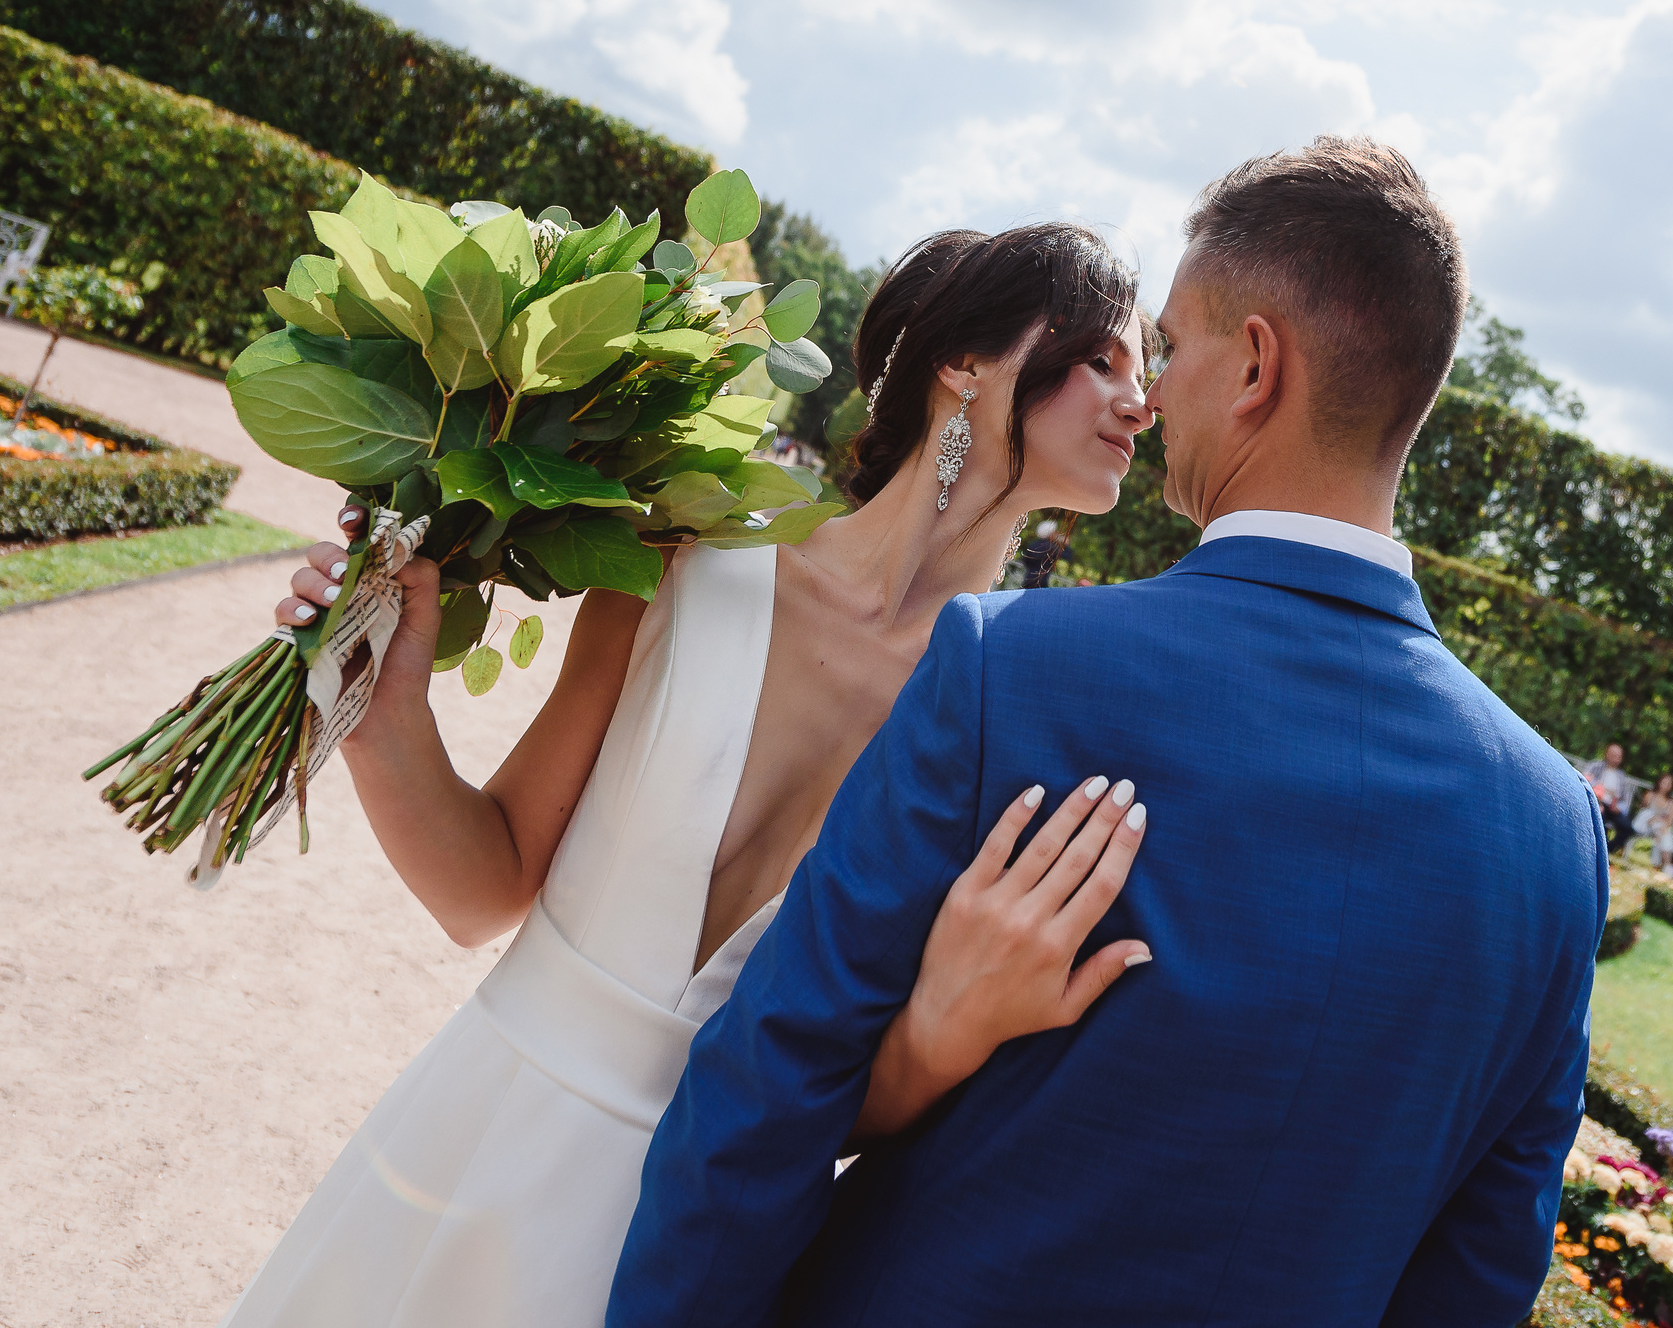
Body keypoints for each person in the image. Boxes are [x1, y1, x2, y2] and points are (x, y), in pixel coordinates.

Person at [611, 138, 1606, 1327]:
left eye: (1174, 346)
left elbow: (767, 1086)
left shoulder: (1010, 666)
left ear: (1253, 367)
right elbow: (1481, 1276)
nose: (1155, 390)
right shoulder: (1556, 835)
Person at [219, 224, 1160, 1328]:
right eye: (1105, 356)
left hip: (707, 1236)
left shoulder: (1017, 719)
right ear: (964, 360)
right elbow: (485, 888)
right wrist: (386, 716)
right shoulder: (690, 555)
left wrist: (959, 1026)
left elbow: (847, 1097)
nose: (1141, 399)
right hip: (472, 1140)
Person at [1581, 742, 1639, 852]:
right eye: (1614, 755)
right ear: (1607, 754)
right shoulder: (1596, 766)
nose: (1616, 759)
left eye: (1619, 756)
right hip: (1596, 802)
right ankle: (1596, 849)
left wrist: (1619, 808)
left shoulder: (1621, 776)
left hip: (1613, 807)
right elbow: (1585, 779)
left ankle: (1607, 850)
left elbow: (1625, 800)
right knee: (1599, 821)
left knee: (1627, 828)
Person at [1628, 773, 1673, 869]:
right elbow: (1643, 813)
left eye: (1669, 783)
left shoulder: (1672, 803)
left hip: (1661, 829)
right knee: (1661, 831)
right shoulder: (1649, 795)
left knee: (1663, 832)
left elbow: (1669, 822)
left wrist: (1658, 821)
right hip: (1645, 825)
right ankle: (1667, 864)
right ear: (1659, 782)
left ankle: (1663, 864)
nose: (1666, 785)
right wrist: (1655, 820)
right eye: (1664, 782)